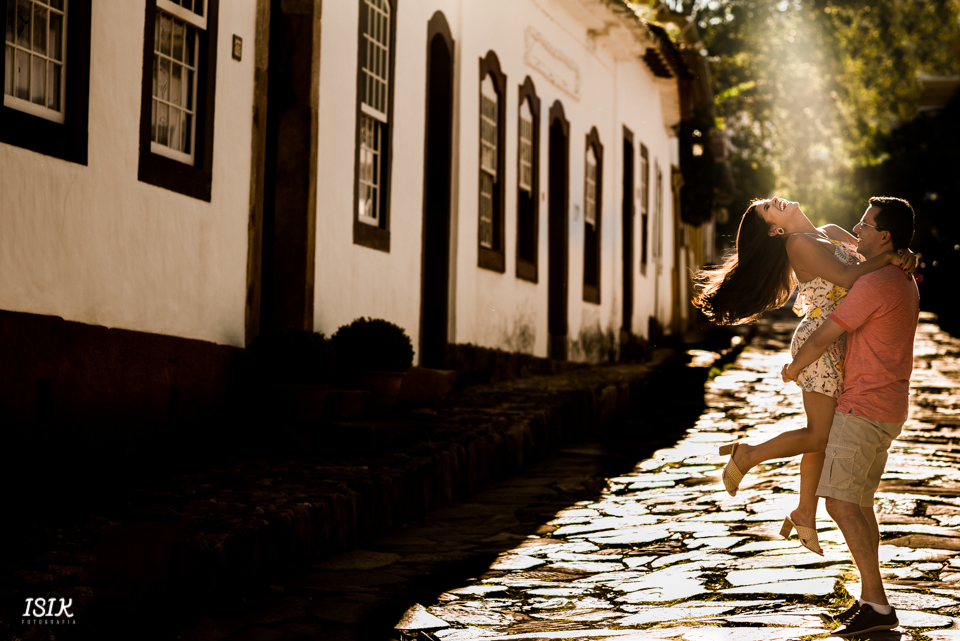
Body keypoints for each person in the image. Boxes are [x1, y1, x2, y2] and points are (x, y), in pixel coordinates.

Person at [693, 196, 915, 556]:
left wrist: (901, 254)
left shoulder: (829, 233)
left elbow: (871, 252)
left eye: (767, 201)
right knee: (819, 434)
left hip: (843, 340)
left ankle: (805, 514)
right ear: (775, 230)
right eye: (769, 209)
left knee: (823, 437)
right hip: (820, 343)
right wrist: (890, 257)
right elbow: (846, 275)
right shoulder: (797, 243)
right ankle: (747, 455)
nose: (774, 200)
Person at [781, 196, 919, 638]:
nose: (858, 229)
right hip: (885, 405)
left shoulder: (879, 281)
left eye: (866, 224)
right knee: (857, 502)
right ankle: (869, 601)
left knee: (840, 502)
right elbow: (839, 240)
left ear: (885, 235)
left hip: (864, 405)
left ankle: (877, 604)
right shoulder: (897, 274)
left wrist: (795, 367)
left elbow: (826, 333)